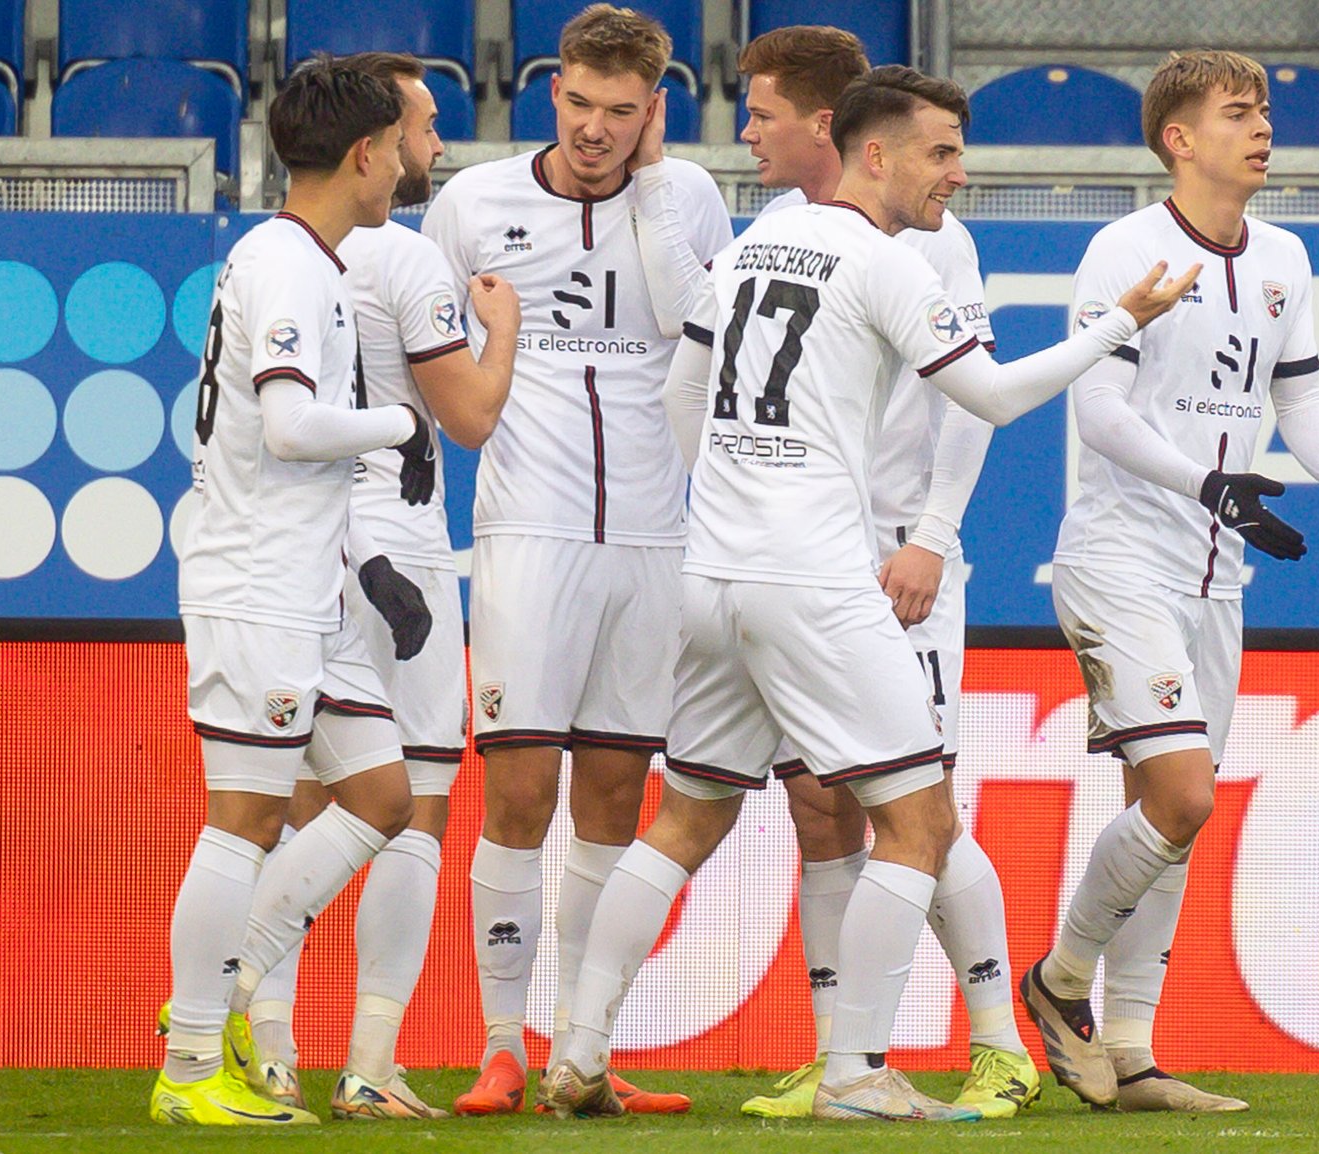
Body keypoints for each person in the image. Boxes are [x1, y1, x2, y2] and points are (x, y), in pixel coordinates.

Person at [542, 65, 1198, 1122]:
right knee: (919, 820)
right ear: (874, 153)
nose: (958, 173)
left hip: (711, 575)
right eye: (939, 151)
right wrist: (1114, 325)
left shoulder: (755, 242)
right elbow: (986, 393)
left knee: (686, 818)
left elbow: (682, 390)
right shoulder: (882, 258)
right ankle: (854, 1070)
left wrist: (726, 498)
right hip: (813, 576)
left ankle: (575, 1049)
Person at [1019, 49, 1319, 1112]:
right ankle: (1057, 978)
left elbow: (1296, 397)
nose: (1262, 130)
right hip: (1118, 556)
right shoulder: (1124, 248)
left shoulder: (1284, 258)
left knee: (1166, 815)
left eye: (1263, 113)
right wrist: (1205, 478)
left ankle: (1129, 1050)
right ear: (1177, 137)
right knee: (1181, 795)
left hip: (1215, 574)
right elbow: (1098, 411)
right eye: (1237, 113)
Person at [636, 27, 1035, 1120]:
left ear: (827, 124)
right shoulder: (779, 229)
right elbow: (697, 393)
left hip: (894, 559)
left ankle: (999, 1040)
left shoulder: (928, 234)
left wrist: (931, 535)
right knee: (821, 807)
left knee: (921, 802)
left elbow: (972, 400)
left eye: (760, 111)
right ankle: (841, 1053)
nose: (747, 130)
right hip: (802, 561)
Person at [419, 3, 732, 1116]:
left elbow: (703, 333)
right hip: (528, 532)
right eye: (581, 105)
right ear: (551, 92)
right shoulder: (472, 204)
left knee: (613, 795)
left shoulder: (687, 196)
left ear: (654, 111)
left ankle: (583, 1046)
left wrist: (650, 187)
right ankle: (502, 1040)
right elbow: (417, 350)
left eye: (621, 112)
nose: (596, 130)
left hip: (655, 533)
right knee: (516, 790)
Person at [227, 51, 522, 1122]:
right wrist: (506, 331)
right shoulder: (397, 256)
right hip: (393, 542)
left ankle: (268, 1053)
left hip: (302, 542)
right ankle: (366, 1055)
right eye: (420, 127)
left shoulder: (272, 255)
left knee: (301, 800)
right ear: (373, 142)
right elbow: (472, 416)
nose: (431, 144)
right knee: (412, 807)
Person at [152, 55, 434, 1126]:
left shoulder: (305, 259)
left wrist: (367, 562)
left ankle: (212, 989)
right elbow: (287, 424)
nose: (409, 162)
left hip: (309, 583)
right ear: (365, 154)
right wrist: (398, 425)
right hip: (257, 580)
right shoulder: (289, 265)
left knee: (380, 797)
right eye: (402, 145)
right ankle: (187, 1068)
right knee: (245, 817)